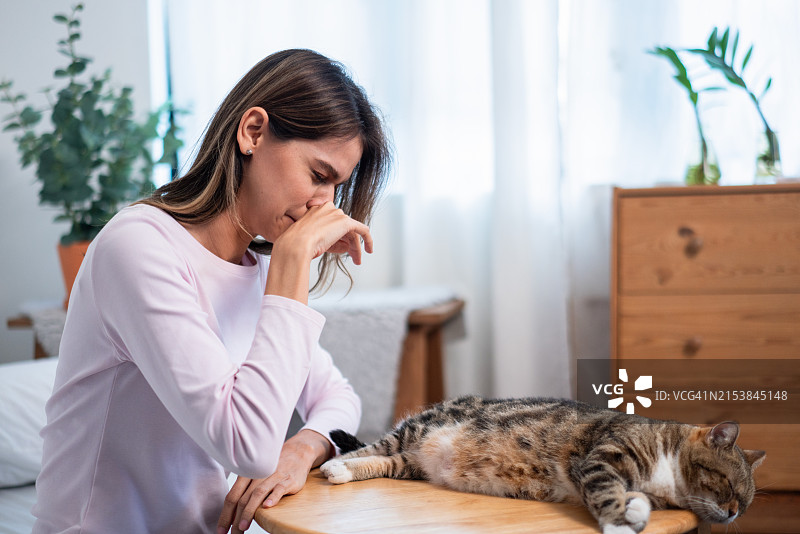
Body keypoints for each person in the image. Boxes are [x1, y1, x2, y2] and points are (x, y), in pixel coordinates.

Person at [32, 49, 392, 534]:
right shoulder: (138, 247)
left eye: (336, 187)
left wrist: (305, 446)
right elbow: (246, 446)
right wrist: (291, 266)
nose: (323, 206)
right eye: (317, 176)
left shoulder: (257, 269)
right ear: (253, 132)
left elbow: (337, 396)